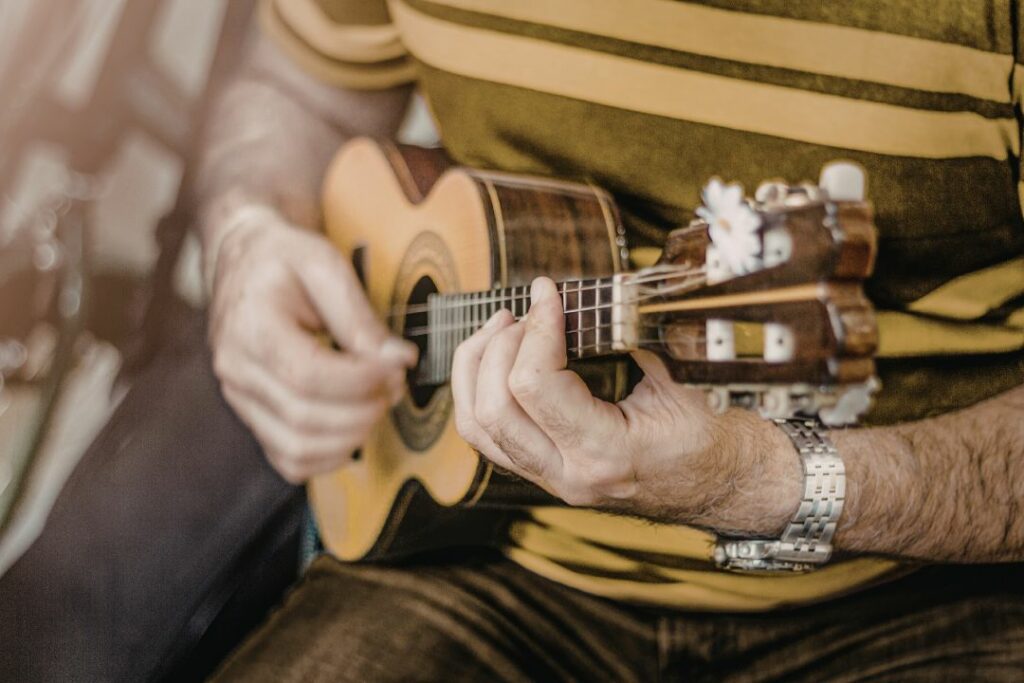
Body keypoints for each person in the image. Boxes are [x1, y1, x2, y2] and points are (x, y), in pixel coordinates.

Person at [202, 1, 1024, 680]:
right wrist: (243, 235)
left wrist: (764, 482)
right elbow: (300, 88)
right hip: (487, 558)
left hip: (925, 584)